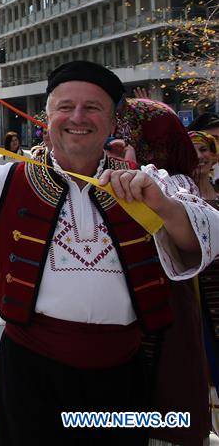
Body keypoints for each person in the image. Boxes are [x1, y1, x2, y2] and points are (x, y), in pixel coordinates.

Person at [0, 61, 219, 444]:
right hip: (32, 375)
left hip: (120, 374)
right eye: (65, 107)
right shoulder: (7, 179)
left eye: (93, 107)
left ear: (112, 121)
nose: (78, 118)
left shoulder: (143, 183)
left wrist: (163, 205)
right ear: (48, 117)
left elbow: (208, 234)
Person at [111, 98, 210, 445]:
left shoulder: (175, 183)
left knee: (164, 385)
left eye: (142, 142)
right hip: (122, 307)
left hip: (163, 302)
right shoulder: (104, 178)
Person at [191, 131, 219, 435]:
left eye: (204, 149)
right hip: (193, 299)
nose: (199, 155)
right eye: (192, 150)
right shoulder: (173, 195)